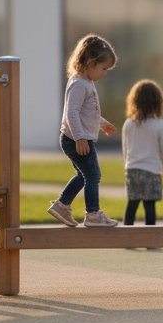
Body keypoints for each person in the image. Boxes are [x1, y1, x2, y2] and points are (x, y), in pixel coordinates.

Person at [46, 34, 121, 228]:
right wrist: (80, 137)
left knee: (84, 175)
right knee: (93, 176)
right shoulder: (79, 84)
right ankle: (93, 214)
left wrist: (102, 123)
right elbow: (72, 113)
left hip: (79, 137)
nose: (104, 73)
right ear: (90, 62)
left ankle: (62, 205)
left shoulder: (87, 83)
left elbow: (88, 114)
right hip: (76, 139)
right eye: (103, 68)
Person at [121, 79, 163, 228]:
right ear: (157, 102)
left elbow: (125, 149)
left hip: (132, 169)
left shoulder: (129, 124)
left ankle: (127, 237)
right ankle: (150, 239)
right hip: (152, 170)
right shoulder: (159, 124)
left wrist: (127, 166)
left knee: (132, 203)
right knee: (149, 204)